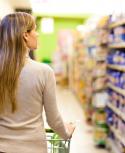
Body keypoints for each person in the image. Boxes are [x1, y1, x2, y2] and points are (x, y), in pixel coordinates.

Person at [0, 12, 75, 153]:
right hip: (32, 148)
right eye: (35, 29)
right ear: (25, 35)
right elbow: (53, 120)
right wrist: (66, 132)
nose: (38, 34)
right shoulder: (43, 71)